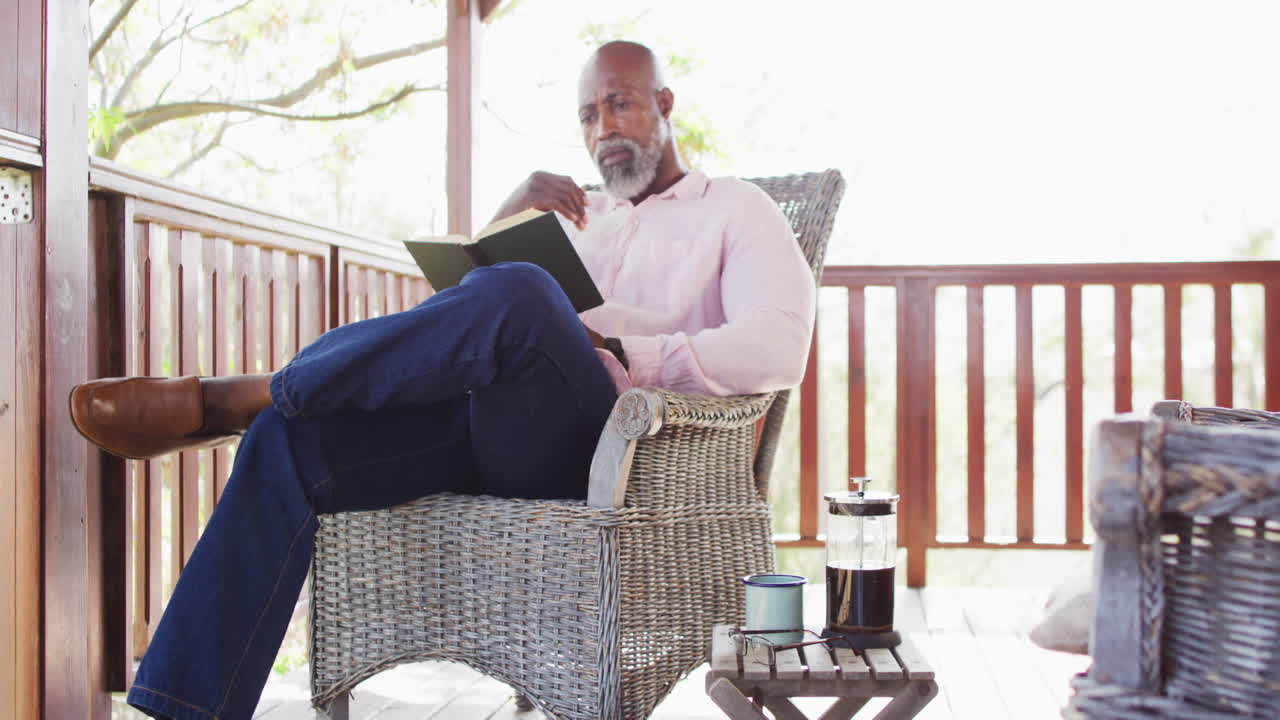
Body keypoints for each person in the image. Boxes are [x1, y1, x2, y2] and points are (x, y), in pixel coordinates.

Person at [69, 40, 816, 720]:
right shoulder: (583, 219)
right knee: (293, 437)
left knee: (523, 293)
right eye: (587, 114)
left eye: (618, 103)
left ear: (664, 103)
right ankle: (181, 708)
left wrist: (624, 350)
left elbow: (779, 343)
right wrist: (508, 212)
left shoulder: (737, 210)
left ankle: (237, 393)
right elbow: (446, 330)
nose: (601, 127)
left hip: (619, 456)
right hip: (490, 427)